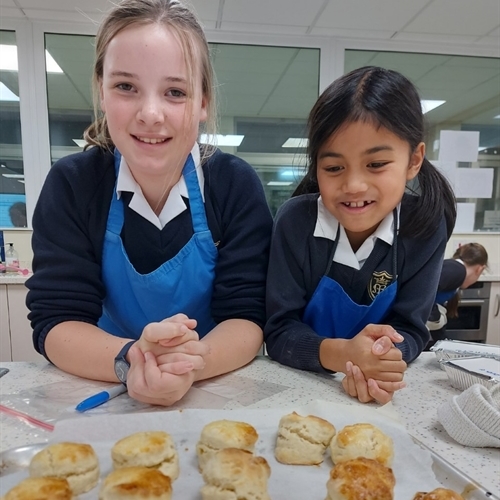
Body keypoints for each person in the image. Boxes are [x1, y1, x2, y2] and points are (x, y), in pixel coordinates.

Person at [26, 0, 273, 407]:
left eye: (175, 92)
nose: (150, 113)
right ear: (101, 91)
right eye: (126, 87)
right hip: (104, 381)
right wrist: (132, 360)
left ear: (203, 102)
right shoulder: (74, 184)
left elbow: (247, 317)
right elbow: (56, 321)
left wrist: (191, 363)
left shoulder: (233, 185)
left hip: (211, 385)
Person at [264, 66, 456, 404]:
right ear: (316, 167)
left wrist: (382, 358)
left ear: (413, 160)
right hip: (296, 386)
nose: (353, 185)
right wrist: (346, 356)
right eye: (334, 167)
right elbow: (279, 332)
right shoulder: (296, 223)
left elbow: (411, 329)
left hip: (379, 388)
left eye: (376, 164)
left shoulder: (424, 227)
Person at [426, 243, 488, 345]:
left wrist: (443, 343)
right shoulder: (457, 271)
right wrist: (434, 315)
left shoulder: (455, 270)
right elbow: (424, 290)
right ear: (480, 269)